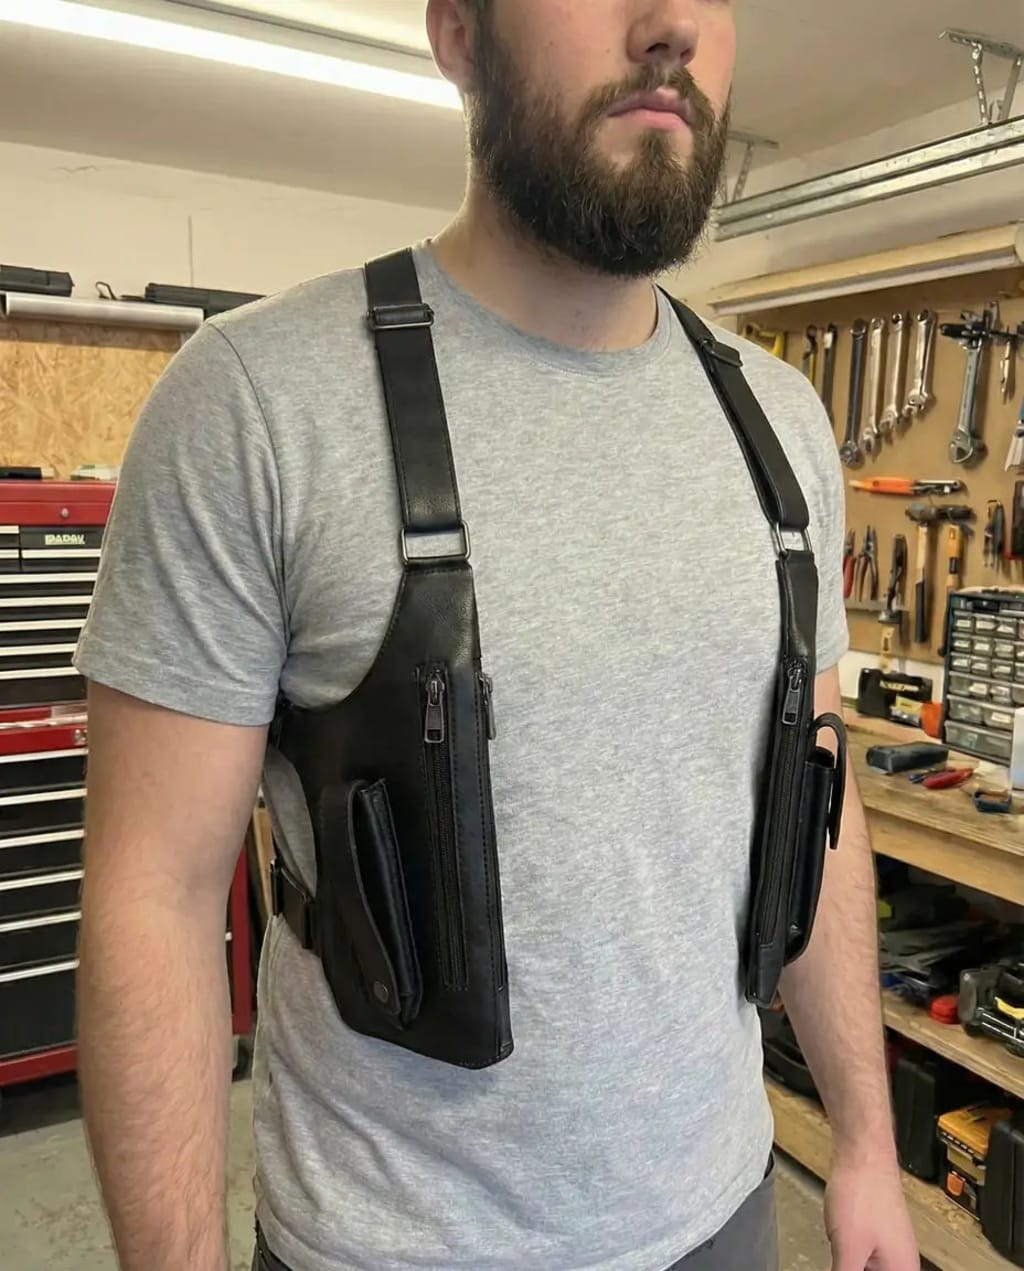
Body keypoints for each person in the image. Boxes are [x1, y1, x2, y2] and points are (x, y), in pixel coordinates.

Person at [75, 2, 920, 1269]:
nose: (668, 24)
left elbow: (820, 803)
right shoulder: (258, 403)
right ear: (460, 34)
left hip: (723, 1212)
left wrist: (863, 1140)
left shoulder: (783, 425)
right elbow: (158, 896)